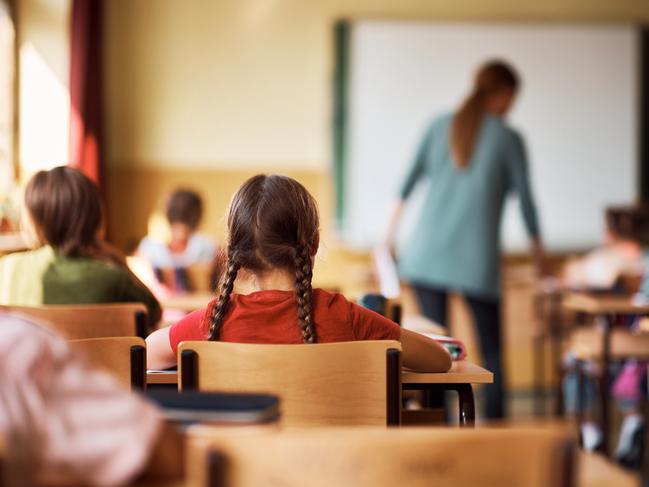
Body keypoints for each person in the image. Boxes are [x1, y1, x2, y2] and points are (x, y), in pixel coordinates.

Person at [147, 174, 452, 373]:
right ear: (314, 243)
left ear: (234, 251)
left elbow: (143, 355)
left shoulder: (211, 323)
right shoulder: (345, 317)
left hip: (233, 469)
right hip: (333, 469)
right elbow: (439, 360)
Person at [384, 60, 546, 419]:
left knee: (433, 352)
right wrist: (539, 260)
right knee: (492, 351)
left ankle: (438, 425)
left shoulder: (437, 125)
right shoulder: (508, 138)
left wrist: (388, 239)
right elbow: (528, 204)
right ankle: (499, 428)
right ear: (504, 95)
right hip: (477, 261)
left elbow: (404, 189)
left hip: (426, 255)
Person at [0, 167, 161, 327]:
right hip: (96, 354)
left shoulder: (7, 269)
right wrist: (119, 262)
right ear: (95, 216)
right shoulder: (114, 277)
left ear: (32, 220)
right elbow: (154, 313)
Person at [137, 189, 217, 292]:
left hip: (161, 306)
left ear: (166, 213)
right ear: (198, 215)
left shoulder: (148, 247)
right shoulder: (209, 246)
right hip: (201, 305)